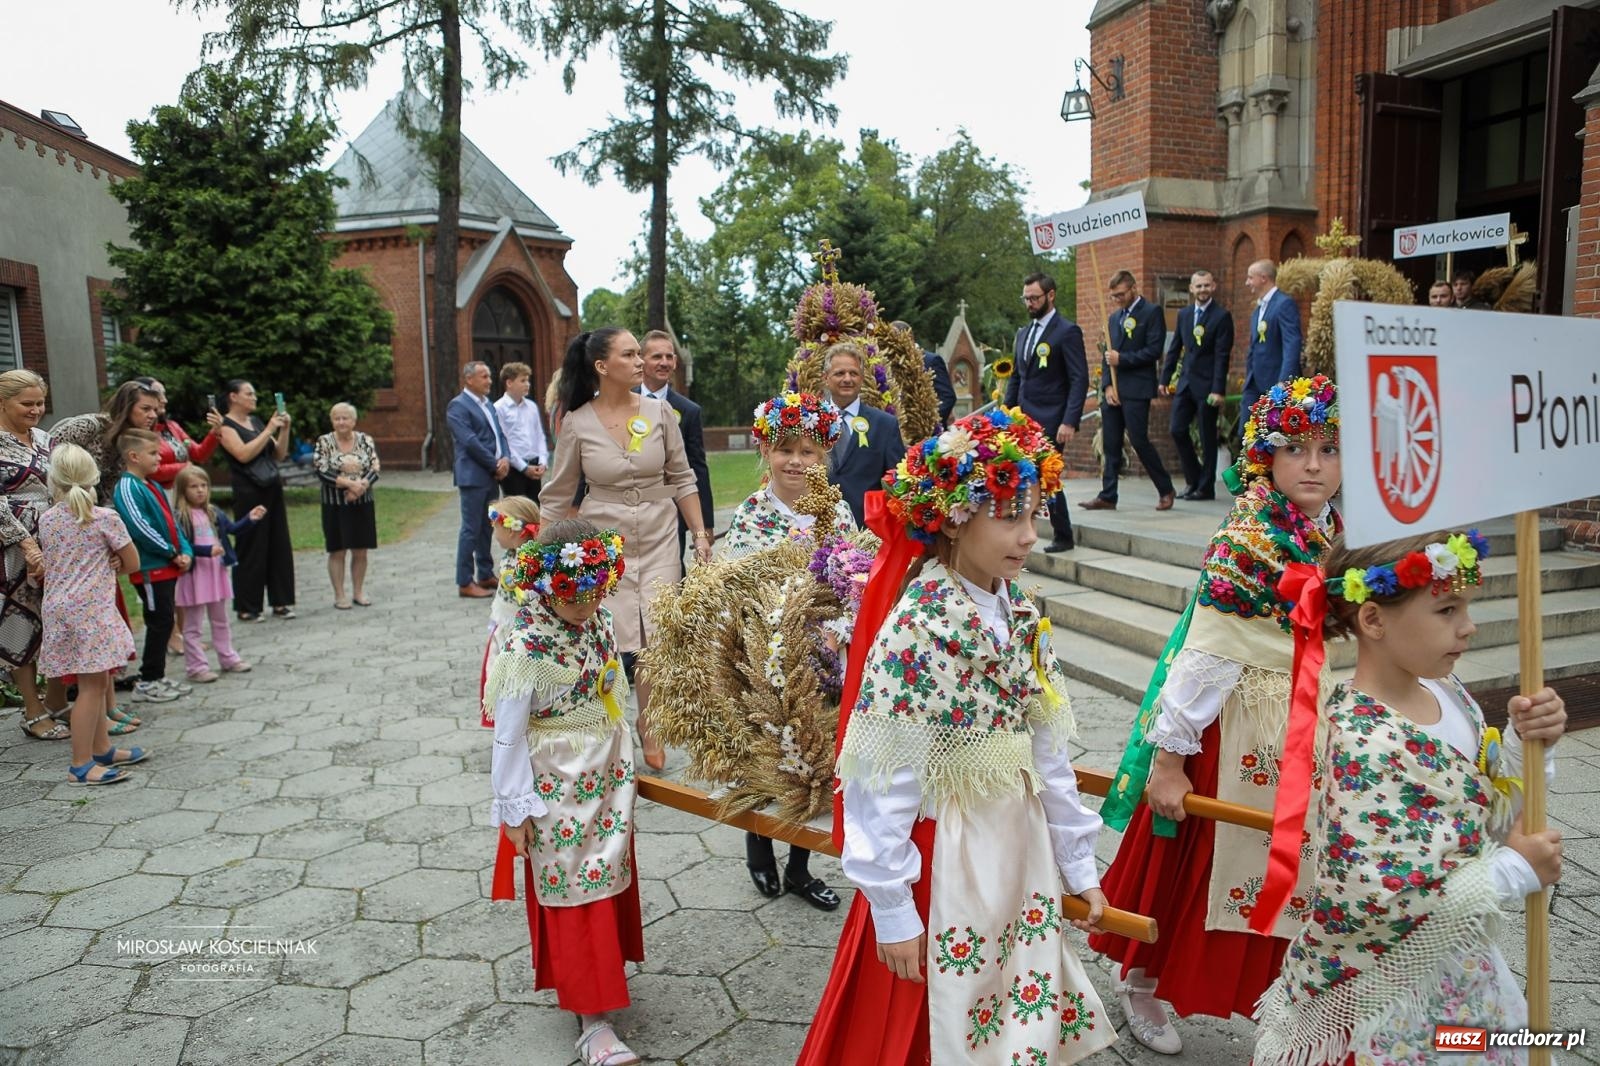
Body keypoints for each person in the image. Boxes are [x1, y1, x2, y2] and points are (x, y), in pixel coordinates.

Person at [800, 406, 1114, 1066]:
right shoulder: (919, 631)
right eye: (1010, 516)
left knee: (1012, 1006)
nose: (1029, 536)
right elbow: (879, 779)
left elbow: (1048, 751)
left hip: (1016, 846)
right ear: (950, 517)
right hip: (947, 857)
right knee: (932, 1017)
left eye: (1034, 515)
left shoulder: (1019, 613)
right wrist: (893, 910)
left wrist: (1078, 863)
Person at [1090, 375, 1343, 1055]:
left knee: (1287, 865)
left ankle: (1273, 996)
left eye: (1329, 448)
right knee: (1194, 868)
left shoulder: (1330, 535)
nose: (1315, 463)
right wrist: (1170, 759)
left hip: (1296, 721)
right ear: (1265, 458)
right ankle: (1141, 980)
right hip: (1230, 730)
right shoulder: (1248, 540)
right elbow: (1205, 652)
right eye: (1296, 449)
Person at [1254, 530, 1566, 1065]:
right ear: (1373, 620)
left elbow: (1476, 804)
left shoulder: (1446, 693)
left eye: (1466, 607)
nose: (1468, 627)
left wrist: (1524, 746)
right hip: (1398, 991)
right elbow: (1375, 891)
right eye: (1446, 609)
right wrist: (1513, 869)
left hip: (1460, 964)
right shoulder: (1361, 741)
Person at [486, 519, 644, 1066]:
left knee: (606, 874)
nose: (587, 605)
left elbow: (610, 686)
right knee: (576, 887)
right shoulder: (525, 644)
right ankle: (591, 1020)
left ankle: (603, 985)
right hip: (557, 783)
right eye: (574, 596)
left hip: (607, 775)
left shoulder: (595, 618)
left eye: (597, 593)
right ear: (546, 584)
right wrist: (514, 808)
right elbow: (508, 733)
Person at [538, 329, 711, 772]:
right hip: (604, 544)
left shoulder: (659, 413)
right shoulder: (577, 422)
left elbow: (683, 478)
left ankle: (650, 726)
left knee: (655, 634)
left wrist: (701, 535)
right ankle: (604, 725)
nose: (640, 361)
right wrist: (540, 556)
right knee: (608, 636)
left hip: (658, 537)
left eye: (641, 353)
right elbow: (557, 497)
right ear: (602, 366)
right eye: (629, 354)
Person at [721, 392, 853, 911]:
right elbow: (742, 579)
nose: (796, 462)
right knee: (767, 750)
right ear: (766, 452)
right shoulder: (755, 512)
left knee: (813, 758)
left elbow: (849, 570)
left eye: (810, 452)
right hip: (768, 652)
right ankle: (759, 842)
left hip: (822, 654)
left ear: (824, 458)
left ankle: (800, 865)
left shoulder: (835, 508)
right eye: (785, 450)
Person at [37, 443, 145, 784]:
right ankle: (80, 765)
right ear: (92, 476)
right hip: (92, 611)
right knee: (92, 688)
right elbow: (132, 563)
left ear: (53, 479)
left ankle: (102, 749)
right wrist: (112, 560)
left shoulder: (48, 519)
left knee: (94, 683)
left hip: (59, 609)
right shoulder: (105, 517)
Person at [0, 370, 66, 739]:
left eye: (40, 402)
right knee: (21, 620)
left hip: (55, 538)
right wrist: (26, 544)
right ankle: (32, 707)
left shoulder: (44, 437)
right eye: (27, 403)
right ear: (2, 402)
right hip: (12, 544)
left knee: (57, 617)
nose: (36, 410)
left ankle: (57, 698)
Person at [1005, 271, 1087, 552]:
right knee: (1020, 473)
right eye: (1025, 298)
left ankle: (1063, 534)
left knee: (1046, 476)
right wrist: (1007, 413)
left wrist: (1070, 420)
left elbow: (1079, 379)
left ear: (1050, 295)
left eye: (1034, 298)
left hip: (1053, 419)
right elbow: (1018, 376)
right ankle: (1015, 526)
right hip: (1024, 419)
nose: (1029, 303)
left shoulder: (1067, 331)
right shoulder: (1024, 333)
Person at [110, 429, 194, 705]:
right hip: (150, 568)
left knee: (165, 619)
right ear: (133, 456)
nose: (160, 457)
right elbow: (140, 528)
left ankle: (157, 676)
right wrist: (171, 553)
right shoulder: (127, 487)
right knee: (159, 622)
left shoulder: (152, 485)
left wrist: (185, 550)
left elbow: (171, 523)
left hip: (167, 564)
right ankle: (147, 681)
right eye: (154, 453)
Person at [1083, 269, 1177, 513]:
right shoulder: (1113, 319)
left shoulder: (1151, 312)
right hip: (1115, 390)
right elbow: (1106, 356)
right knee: (1111, 443)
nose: (1117, 299)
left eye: (1121, 294)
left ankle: (1165, 488)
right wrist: (1107, 385)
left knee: (1139, 440)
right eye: (1113, 296)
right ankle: (1108, 494)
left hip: (1137, 388)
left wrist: (1122, 358)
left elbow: (1154, 350)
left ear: (1133, 288)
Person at [172, 465, 262, 682]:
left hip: (216, 573)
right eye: (194, 486)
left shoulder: (213, 512)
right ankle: (196, 667)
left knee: (220, 620)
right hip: (194, 575)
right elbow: (181, 546)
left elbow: (231, 529)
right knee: (193, 625)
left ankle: (228, 657)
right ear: (183, 491)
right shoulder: (180, 517)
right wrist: (206, 551)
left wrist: (250, 519)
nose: (200, 490)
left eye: (203, 485)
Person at [217, 380, 295, 621]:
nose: (254, 398)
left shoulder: (256, 422)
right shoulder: (225, 425)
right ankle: (247, 605)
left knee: (278, 543)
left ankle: (281, 601)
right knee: (252, 545)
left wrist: (283, 430)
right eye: (249, 394)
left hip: (271, 487)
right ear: (234, 397)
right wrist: (269, 429)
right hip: (249, 492)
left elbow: (279, 454)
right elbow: (242, 454)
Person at [636, 331, 713, 569]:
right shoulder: (620, 401)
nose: (664, 362)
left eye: (669, 357)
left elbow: (697, 467)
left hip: (670, 511)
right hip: (629, 507)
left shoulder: (688, 410)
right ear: (641, 359)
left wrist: (705, 524)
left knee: (670, 574)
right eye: (657, 356)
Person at [1160, 270, 1232, 501]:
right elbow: (1175, 349)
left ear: (1214, 286)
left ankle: (1205, 487)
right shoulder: (1184, 314)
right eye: (1198, 286)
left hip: (1208, 386)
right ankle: (1194, 479)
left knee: (1207, 436)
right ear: (1191, 289)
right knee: (1177, 429)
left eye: (1206, 286)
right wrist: (1165, 378)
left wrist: (1218, 389)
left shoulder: (1222, 316)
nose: (1202, 290)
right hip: (1186, 384)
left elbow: (1222, 356)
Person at [822, 341, 904, 528]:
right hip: (818, 528)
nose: (847, 379)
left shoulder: (885, 424)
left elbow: (897, 482)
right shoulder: (810, 421)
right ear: (826, 378)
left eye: (853, 373)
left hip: (868, 533)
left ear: (862, 378)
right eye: (839, 373)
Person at [478, 495, 541, 726]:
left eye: (496, 528)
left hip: (518, 634)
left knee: (511, 678)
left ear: (512, 531)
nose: (494, 535)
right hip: (503, 624)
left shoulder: (529, 561)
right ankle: (505, 722)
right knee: (496, 671)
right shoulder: (511, 555)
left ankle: (515, 723)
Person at [447, 361, 509, 599]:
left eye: (489, 376)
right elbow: (469, 440)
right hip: (473, 476)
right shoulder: (458, 406)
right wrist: (494, 463)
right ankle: (464, 581)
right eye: (484, 376)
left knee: (487, 527)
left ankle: (485, 573)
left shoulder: (488, 404)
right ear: (469, 379)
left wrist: (505, 458)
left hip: (492, 475)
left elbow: (499, 434)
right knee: (471, 529)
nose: (489, 380)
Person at [49, 380, 162, 504]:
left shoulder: (132, 443)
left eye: (155, 410)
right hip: (62, 503)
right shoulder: (90, 426)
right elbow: (46, 449)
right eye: (146, 409)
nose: (153, 415)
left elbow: (111, 491)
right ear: (126, 407)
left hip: (97, 511)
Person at [313, 403, 381, 610]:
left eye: (345, 418)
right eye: (337, 418)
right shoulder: (324, 442)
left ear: (353, 421)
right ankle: (339, 595)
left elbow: (374, 467)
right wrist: (350, 484)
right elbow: (321, 470)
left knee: (360, 550)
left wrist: (361, 486)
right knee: (338, 550)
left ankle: (358, 592)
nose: (341, 422)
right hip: (334, 504)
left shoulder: (365, 440)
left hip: (362, 503)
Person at [1238, 259, 1302, 451]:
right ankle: (1252, 479)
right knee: (1245, 433)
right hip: (1254, 383)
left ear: (1263, 278)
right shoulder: (1258, 310)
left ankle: (1273, 479)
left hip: (1275, 382)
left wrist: (1284, 380)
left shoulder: (1284, 304)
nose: (1247, 282)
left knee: (1274, 437)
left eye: (1250, 277)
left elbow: (1292, 343)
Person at [494, 362, 550, 502]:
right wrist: (524, 467)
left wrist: (542, 461)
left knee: (534, 511)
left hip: (534, 465)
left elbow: (539, 436)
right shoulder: (499, 408)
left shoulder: (531, 406)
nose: (528, 384)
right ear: (509, 383)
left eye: (528, 380)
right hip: (514, 469)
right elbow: (503, 441)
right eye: (523, 380)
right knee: (517, 515)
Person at [889, 321, 956, 430]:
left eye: (893, 340)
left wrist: (928, 423)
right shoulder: (890, 363)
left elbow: (947, 397)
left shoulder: (931, 360)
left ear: (908, 338)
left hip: (928, 432)